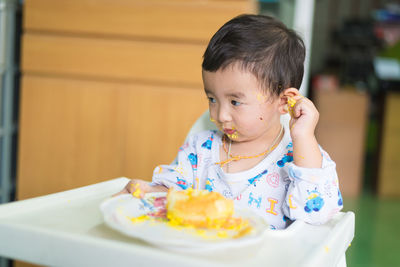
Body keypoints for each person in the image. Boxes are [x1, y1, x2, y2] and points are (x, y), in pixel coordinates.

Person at [116, 14, 343, 229]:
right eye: (212, 99)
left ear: (284, 101)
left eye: (235, 102)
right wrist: (148, 191)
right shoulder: (200, 150)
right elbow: (172, 194)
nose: (220, 115)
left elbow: (316, 219)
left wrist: (304, 137)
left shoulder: (303, 160)